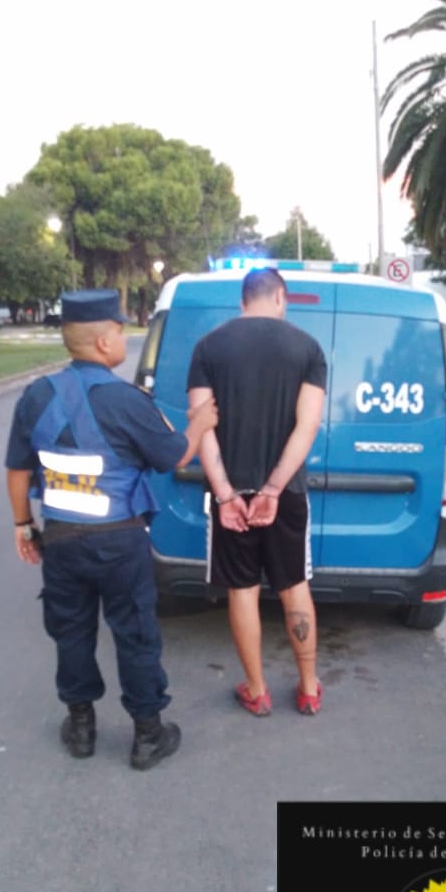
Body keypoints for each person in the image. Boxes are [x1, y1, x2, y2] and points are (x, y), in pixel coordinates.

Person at [5, 289, 217, 770]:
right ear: (103, 342)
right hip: (120, 542)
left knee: (71, 632)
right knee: (135, 633)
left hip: (61, 541)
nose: (124, 338)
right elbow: (173, 456)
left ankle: (81, 728)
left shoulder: (36, 396)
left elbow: (17, 469)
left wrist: (22, 524)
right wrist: (200, 423)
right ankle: (148, 735)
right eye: (121, 331)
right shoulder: (126, 401)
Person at [186, 266, 327, 716]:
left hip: (231, 496)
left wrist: (226, 494)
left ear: (243, 300)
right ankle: (309, 688)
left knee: (242, 590)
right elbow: (307, 427)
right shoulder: (308, 349)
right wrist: (273, 487)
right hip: (284, 496)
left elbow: (202, 427)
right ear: (280, 297)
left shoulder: (208, 347)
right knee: (294, 586)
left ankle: (257, 690)